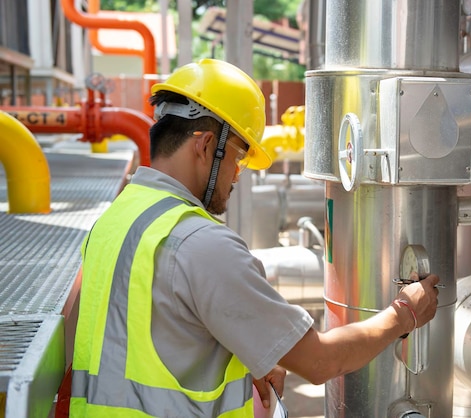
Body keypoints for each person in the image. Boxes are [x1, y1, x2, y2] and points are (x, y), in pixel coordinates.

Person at [69, 58, 439, 417]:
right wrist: (403, 314)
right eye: (239, 158)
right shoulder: (200, 243)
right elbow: (320, 361)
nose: (237, 175)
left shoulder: (117, 218)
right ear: (205, 146)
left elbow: (142, 335)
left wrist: (248, 349)